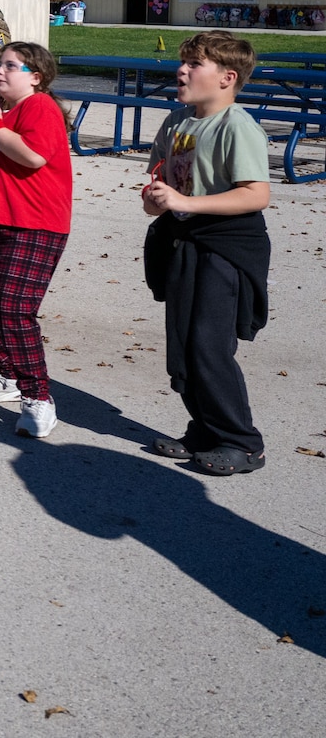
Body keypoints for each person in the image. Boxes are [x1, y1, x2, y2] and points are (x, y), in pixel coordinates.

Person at [141, 31, 273, 476]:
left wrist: (185, 204)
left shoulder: (237, 126)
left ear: (227, 78)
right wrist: (158, 200)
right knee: (182, 344)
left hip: (226, 245)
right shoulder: (177, 123)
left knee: (208, 346)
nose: (181, 70)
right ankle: (205, 429)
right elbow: (160, 186)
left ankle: (242, 441)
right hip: (184, 242)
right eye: (183, 63)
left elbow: (256, 195)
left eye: (195, 64)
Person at [0, 41, 74, 439]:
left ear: (36, 76)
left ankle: (39, 398)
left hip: (35, 222)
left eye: (12, 66)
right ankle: (7, 375)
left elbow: (33, 158)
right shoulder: (1, 113)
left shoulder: (38, 106)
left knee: (13, 308)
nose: (0, 71)